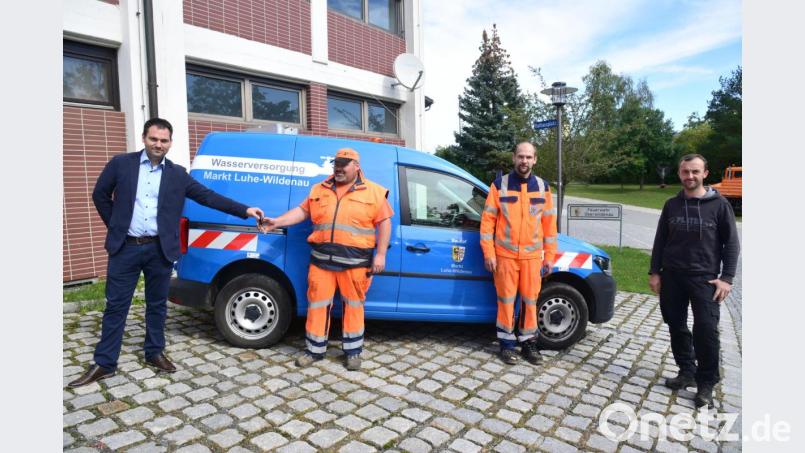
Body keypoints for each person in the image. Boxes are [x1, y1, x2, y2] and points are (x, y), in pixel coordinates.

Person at [68, 118, 265, 388]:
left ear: (170, 143)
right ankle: (105, 363)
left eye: (164, 140)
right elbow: (99, 194)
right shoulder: (120, 164)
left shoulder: (178, 174)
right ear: (144, 138)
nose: (158, 144)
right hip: (125, 247)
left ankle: (154, 352)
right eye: (154, 139)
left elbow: (208, 197)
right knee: (116, 306)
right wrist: (116, 225)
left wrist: (245, 210)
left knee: (157, 305)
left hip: (159, 249)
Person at [259, 148, 392, 370]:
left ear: (356, 166)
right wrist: (277, 222)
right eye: (336, 164)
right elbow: (301, 212)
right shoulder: (319, 189)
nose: (338, 168)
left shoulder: (375, 192)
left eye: (344, 164)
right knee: (317, 306)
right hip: (321, 262)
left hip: (356, 263)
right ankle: (314, 351)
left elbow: (385, 222)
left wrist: (380, 254)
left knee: (354, 307)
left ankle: (353, 352)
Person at [648, 153, 740, 408]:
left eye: (695, 172)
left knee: (706, 330)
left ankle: (706, 382)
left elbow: (731, 244)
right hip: (673, 276)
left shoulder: (720, 206)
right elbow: (660, 240)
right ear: (680, 174)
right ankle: (686, 370)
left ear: (705, 173)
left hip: (706, 279)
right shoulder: (671, 205)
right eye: (685, 172)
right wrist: (655, 272)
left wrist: (727, 278)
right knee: (676, 325)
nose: (690, 176)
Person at [480, 142, 557, 365]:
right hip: (505, 255)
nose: (524, 161)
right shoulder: (499, 185)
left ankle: (529, 344)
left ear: (535, 159)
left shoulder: (543, 188)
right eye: (520, 157)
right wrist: (489, 254)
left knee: (530, 301)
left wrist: (549, 256)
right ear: (513, 158)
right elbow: (487, 223)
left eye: (528, 157)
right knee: (506, 301)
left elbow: (550, 226)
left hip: (532, 258)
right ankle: (506, 345)